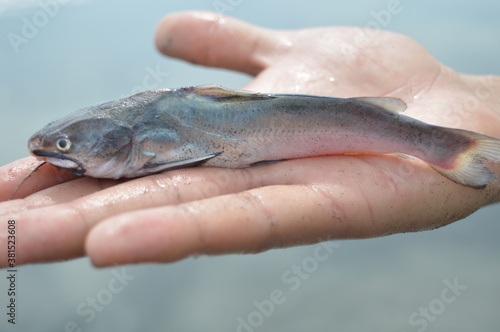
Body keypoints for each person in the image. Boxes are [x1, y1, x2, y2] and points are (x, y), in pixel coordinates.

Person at [0, 11, 499, 267]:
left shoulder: (140, 133)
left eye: (65, 146)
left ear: (119, 138)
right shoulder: (129, 129)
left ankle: (455, 150)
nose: (55, 154)